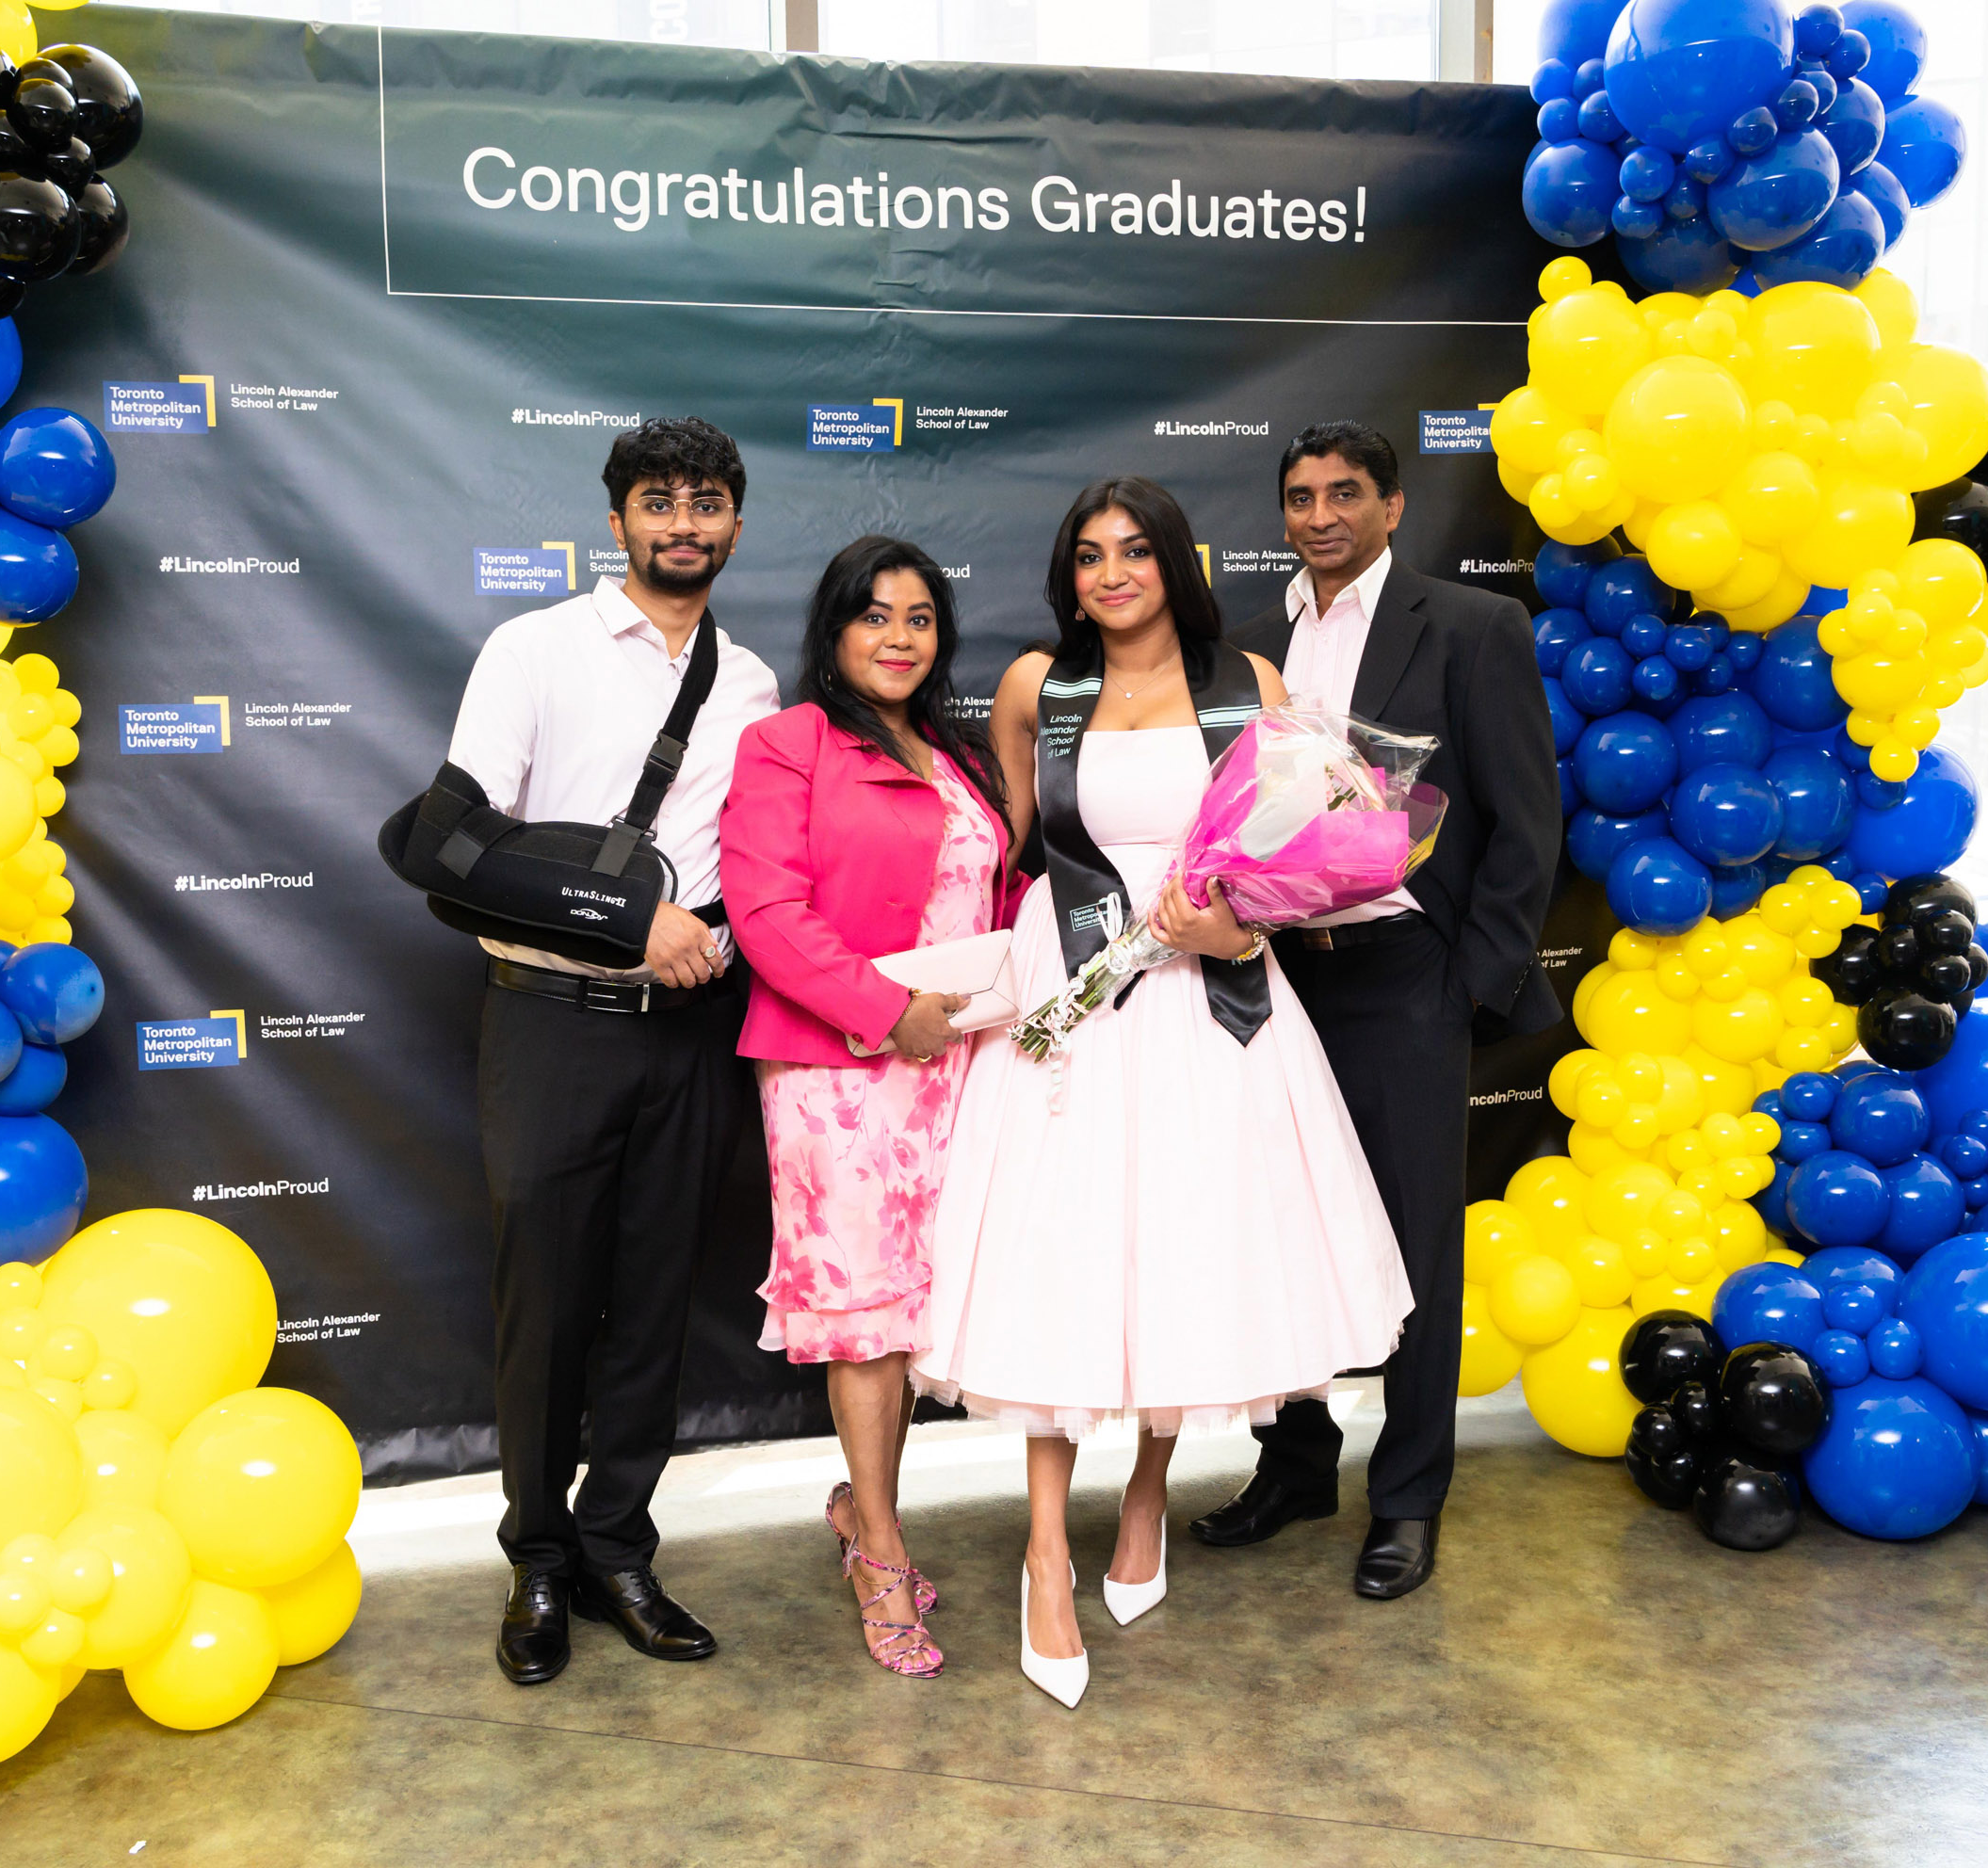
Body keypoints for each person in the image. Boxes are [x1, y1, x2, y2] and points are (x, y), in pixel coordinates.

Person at [910, 475, 1414, 1708]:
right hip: (1069, 997)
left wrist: (1239, 927)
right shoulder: (1042, 687)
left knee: (1183, 1251)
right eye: (1088, 555)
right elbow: (1021, 843)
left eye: (1135, 551)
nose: (1112, 573)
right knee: (1057, 1264)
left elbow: (1305, 849)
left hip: (1210, 1001)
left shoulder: (1252, 683)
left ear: (1174, 564)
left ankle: (1146, 1490)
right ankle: (1044, 1556)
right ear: (1068, 576)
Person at [1196, 421, 1563, 1602]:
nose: (1320, 515)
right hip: (1276, 977)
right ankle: (1296, 1462)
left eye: (1345, 493)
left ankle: (1407, 1497)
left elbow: (1524, 821)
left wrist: (1470, 980)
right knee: (1277, 1228)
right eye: (1300, 497)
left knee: (1418, 1246)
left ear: (1393, 506)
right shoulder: (1248, 650)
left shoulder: (1473, 626)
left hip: (1410, 977)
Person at [447, 417, 784, 1685]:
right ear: (617, 521)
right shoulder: (532, 649)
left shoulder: (749, 686)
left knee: (653, 1307)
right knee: (545, 1308)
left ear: (735, 527)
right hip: (549, 1026)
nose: (683, 525)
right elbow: (462, 848)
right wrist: (626, 923)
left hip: (691, 1041)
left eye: (707, 503)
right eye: (659, 502)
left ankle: (618, 1547)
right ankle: (537, 1559)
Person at [719, 537, 1019, 1681]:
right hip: (841, 1070)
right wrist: (887, 1015)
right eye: (875, 616)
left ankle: (861, 1502)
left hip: (958, 1060)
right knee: (863, 1313)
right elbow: (767, 909)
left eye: (921, 618)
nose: (899, 637)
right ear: (835, 631)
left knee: (917, 1312)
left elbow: (983, 892)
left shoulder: (952, 749)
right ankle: (882, 1548)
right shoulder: (786, 743)